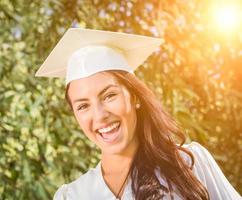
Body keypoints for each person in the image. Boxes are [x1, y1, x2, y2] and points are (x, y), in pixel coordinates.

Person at [36, 28, 241, 200]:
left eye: (109, 96)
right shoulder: (72, 196)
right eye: (83, 106)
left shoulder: (189, 164)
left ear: (135, 97)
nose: (99, 116)